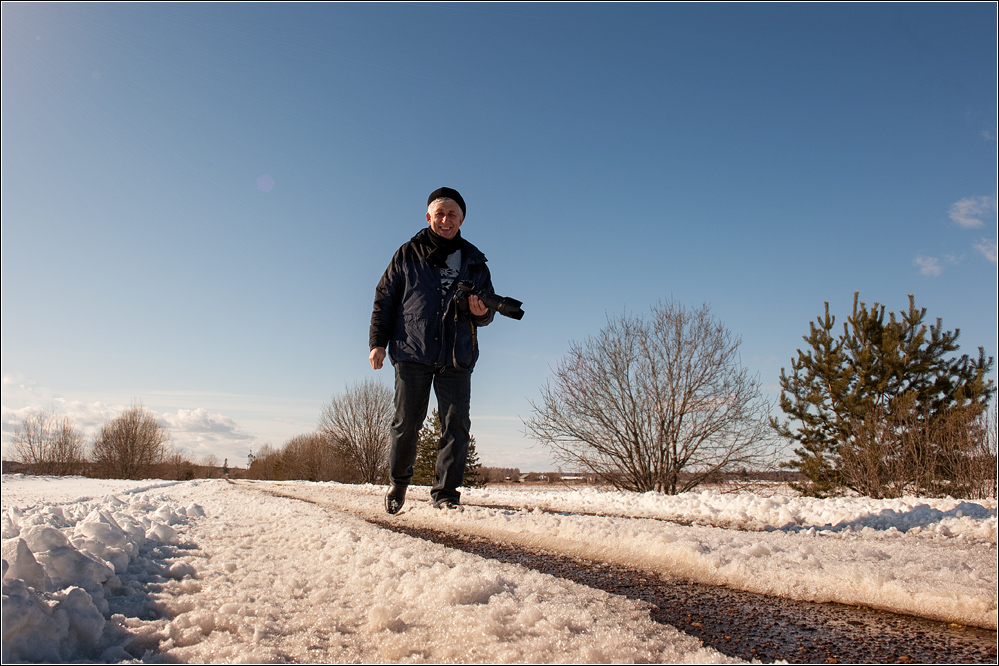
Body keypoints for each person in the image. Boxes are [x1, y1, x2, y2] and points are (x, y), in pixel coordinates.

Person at [369, 187, 495, 514]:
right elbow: (385, 299)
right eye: (439, 213)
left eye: (452, 214)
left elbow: (486, 314)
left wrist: (481, 311)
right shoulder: (407, 253)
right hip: (412, 351)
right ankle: (398, 484)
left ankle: (446, 495)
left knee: (456, 426)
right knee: (406, 422)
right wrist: (377, 343)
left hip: (456, 354)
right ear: (429, 217)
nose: (445, 219)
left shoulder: (475, 261)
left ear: (462, 219)